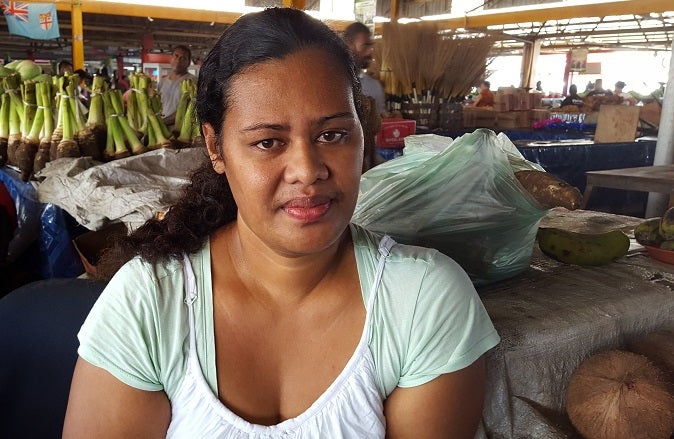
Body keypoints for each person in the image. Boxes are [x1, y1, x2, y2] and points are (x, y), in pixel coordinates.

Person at [63, 8, 499, 438]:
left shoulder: (422, 300)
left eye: (331, 135)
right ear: (216, 147)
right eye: (268, 142)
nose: (307, 171)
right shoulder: (151, 302)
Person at [343, 22, 386, 117]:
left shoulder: (374, 87)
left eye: (371, 46)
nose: (370, 52)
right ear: (348, 46)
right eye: (365, 46)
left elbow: (379, 122)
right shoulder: (331, 82)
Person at [157, 45, 196, 128]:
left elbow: (189, 108)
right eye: (176, 56)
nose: (178, 60)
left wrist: (162, 123)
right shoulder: (162, 82)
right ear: (171, 58)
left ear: (188, 63)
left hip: (181, 130)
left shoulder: (193, 81)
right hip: (161, 128)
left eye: (183, 58)